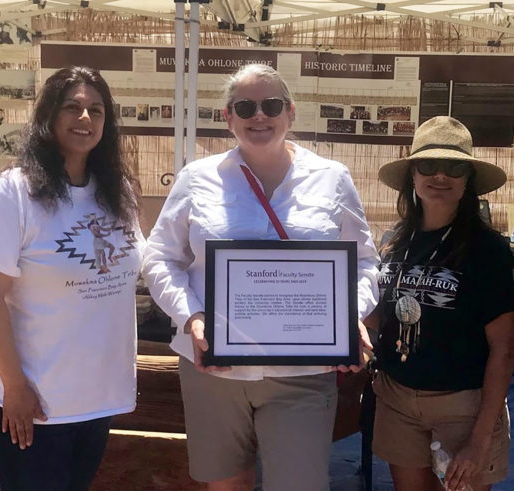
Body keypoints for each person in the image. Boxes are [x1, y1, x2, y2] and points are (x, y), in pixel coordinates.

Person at [143, 63, 379, 491]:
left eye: (271, 105)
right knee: (226, 484)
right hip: (214, 369)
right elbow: (159, 258)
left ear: (290, 113)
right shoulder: (197, 179)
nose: (259, 116)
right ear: (227, 117)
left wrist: (350, 315)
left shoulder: (331, 179)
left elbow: (366, 262)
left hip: (302, 373)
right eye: (245, 106)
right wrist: (192, 316)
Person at [0, 66, 145, 491]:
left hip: (96, 400)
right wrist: (15, 386)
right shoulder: (14, 193)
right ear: (48, 115)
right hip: (35, 404)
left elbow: (144, 260)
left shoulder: (117, 191)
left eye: (96, 111)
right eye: (73, 107)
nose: (85, 119)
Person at [370, 116, 513, 491]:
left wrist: (480, 441)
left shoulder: (491, 252)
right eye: (428, 165)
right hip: (397, 397)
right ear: (412, 175)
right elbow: (375, 316)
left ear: (468, 181)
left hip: (463, 404)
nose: (440, 176)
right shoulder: (393, 242)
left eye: (454, 166)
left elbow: (504, 351)